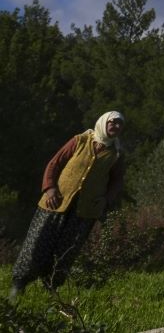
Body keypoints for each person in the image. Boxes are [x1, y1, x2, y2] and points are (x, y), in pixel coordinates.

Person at [10, 111, 127, 299]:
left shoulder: (116, 154)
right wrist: (50, 188)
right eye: (112, 122)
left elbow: (117, 181)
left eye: (120, 124)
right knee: (37, 243)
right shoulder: (80, 141)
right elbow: (54, 164)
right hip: (55, 203)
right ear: (103, 123)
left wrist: (106, 200)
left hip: (85, 211)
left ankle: (51, 289)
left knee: (65, 252)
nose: (116, 126)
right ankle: (18, 285)